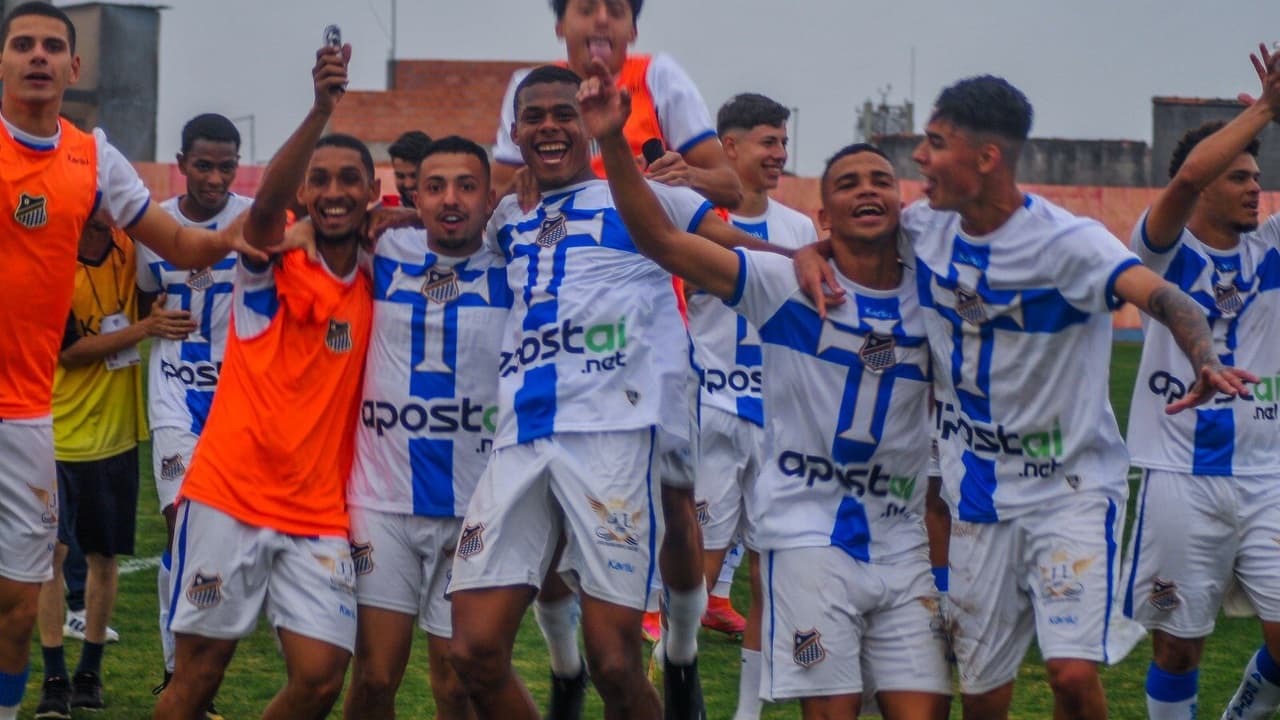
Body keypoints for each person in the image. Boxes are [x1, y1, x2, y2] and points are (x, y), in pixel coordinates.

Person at [796, 74, 1254, 720]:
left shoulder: (1069, 243)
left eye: (936, 142)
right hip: (977, 499)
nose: (920, 158)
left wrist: (1204, 358)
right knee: (984, 696)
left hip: (1071, 490)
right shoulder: (924, 227)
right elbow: (852, 239)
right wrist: (809, 255)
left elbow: (1165, 296)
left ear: (986, 159)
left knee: (1069, 673)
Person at [577, 58, 952, 719]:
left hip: (895, 537)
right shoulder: (777, 269)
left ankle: (740, 702)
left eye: (881, 180)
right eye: (848, 182)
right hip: (734, 424)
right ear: (826, 211)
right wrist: (612, 141)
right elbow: (663, 241)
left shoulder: (929, 288)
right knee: (710, 549)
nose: (778, 153)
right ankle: (678, 654)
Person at [448, 63, 773, 720]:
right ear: (515, 131)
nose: (549, 126)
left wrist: (815, 260)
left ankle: (680, 654)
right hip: (520, 437)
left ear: (588, 127)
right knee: (474, 653)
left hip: (618, 434)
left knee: (618, 662)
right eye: (533, 115)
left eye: (562, 114)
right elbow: (436, 236)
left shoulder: (645, 197)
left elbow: (739, 250)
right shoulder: (505, 217)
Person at [0, 5, 257, 717]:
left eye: (54, 46)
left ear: (74, 68)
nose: (39, 57)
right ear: (3, 61)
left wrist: (261, 234)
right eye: (22, 44)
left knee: (19, 608)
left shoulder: (95, 157)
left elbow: (184, 247)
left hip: (28, 412)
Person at [152, 42, 375, 720]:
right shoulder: (267, 262)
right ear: (304, 193)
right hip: (229, 496)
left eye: (349, 180)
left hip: (317, 511)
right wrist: (320, 110)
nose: (334, 191)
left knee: (319, 679)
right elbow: (265, 210)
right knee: (196, 678)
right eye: (321, 180)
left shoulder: (377, 274)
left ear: (371, 192)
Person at [1121, 46, 1280, 720]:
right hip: (1178, 475)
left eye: (1257, 175)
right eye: (1238, 175)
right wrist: (1266, 110)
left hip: (1269, 476)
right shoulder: (1160, 249)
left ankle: (1239, 715)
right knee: (1177, 651)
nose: (1254, 186)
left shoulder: (1270, 246)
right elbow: (1185, 179)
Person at [341, 135, 508, 720]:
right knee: (375, 675)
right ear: (415, 193)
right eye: (434, 187)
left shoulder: (513, 261)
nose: (450, 199)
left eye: (466, 185)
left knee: (457, 681)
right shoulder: (384, 249)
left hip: (473, 507)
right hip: (380, 503)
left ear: (490, 196)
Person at [32, 212, 192, 717]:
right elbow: (72, 352)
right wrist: (147, 326)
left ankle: (90, 672)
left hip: (119, 434)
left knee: (104, 558)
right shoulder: (54, 259)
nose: (112, 202)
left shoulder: (131, 248)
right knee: (51, 559)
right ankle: (54, 675)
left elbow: (161, 283)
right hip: (57, 433)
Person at [689, 92, 817, 720]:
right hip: (711, 409)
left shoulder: (799, 230)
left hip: (779, 422)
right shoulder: (694, 218)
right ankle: (673, 692)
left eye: (783, 143)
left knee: (769, 570)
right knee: (693, 573)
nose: (779, 155)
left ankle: (746, 712)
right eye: (768, 142)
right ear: (730, 146)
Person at [137, 112, 252, 714]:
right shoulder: (151, 226)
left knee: (227, 537)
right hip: (175, 396)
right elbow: (138, 302)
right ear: (181, 163)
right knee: (180, 525)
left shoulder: (254, 216)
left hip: (239, 402)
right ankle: (179, 674)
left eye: (225, 166)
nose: (213, 176)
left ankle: (202, 669)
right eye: (202, 164)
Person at [387, 129, 432, 208]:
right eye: (400, 176)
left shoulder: (449, 210)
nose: (408, 184)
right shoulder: (383, 211)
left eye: (414, 176)